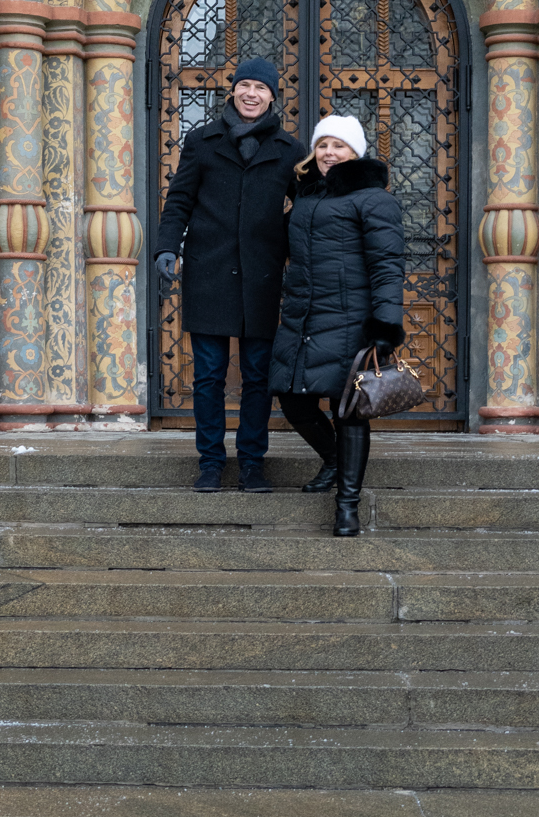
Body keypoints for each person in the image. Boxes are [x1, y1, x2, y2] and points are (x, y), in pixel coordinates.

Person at [154, 58, 300, 492]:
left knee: (257, 376)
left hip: (262, 277)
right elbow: (179, 200)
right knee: (209, 375)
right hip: (209, 272)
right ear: (233, 90)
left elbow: (309, 209)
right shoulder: (202, 140)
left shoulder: (289, 150)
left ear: (273, 95)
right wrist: (167, 246)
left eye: (261, 87)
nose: (251, 93)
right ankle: (211, 462)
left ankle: (253, 463)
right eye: (244, 85)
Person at [269, 115, 406, 537]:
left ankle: (347, 506)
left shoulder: (373, 199)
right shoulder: (306, 197)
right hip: (303, 316)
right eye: (323, 144)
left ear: (355, 152)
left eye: (339, 146)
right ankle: (332, 460)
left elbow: (387, 266)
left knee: (348, 411)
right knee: (293, 399)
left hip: (350, 319)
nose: (329, 153)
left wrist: (385, 324)